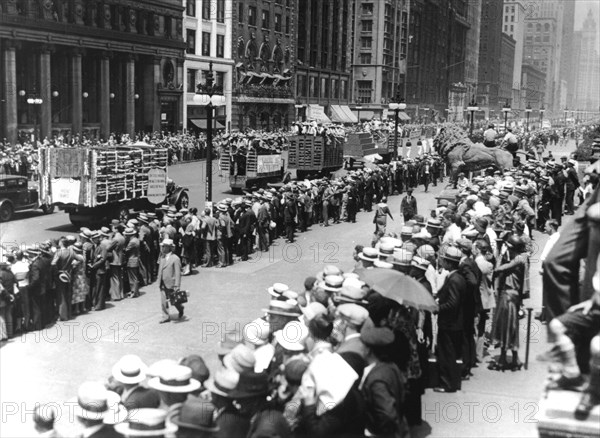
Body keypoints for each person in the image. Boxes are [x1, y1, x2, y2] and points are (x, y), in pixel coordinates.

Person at [490, 235, 529, 371]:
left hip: (509, 296)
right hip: (511, 296)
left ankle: (505, 359)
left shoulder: (519, 258)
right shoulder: (520, 258)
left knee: (507, 327)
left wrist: (500, 253)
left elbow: (499, 269)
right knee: (508, 327)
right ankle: (511, 358)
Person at [434, 246, 467, 393]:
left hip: (449, 323)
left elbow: (453, 303)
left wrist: (438, 308)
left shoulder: (454, 279)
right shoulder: (457, 277)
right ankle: (451, 382)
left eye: (445, 261)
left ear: (449, 263)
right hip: (455, 323)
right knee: (450, 353)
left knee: (446, 354)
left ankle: (447, 383)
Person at [157, 238, 184, 323]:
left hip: (171, 283)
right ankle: (165, 316)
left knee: (174, 301)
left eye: (164, 246)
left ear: (169, 248)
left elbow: (177, 273)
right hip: (162, 282)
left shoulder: (175, 258)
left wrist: (177, 285)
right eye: (162, 246)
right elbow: (160, 269)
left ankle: (180, 308)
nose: (162, 248)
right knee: (163, 301)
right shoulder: (162, 257)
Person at [124, 228, 141, 298]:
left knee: (132, 278)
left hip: (131, 261)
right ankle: (136, 291)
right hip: (136, 259)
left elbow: (126, 250)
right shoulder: (136, 240)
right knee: (135, 277)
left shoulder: (132, 242)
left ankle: (134, 292)